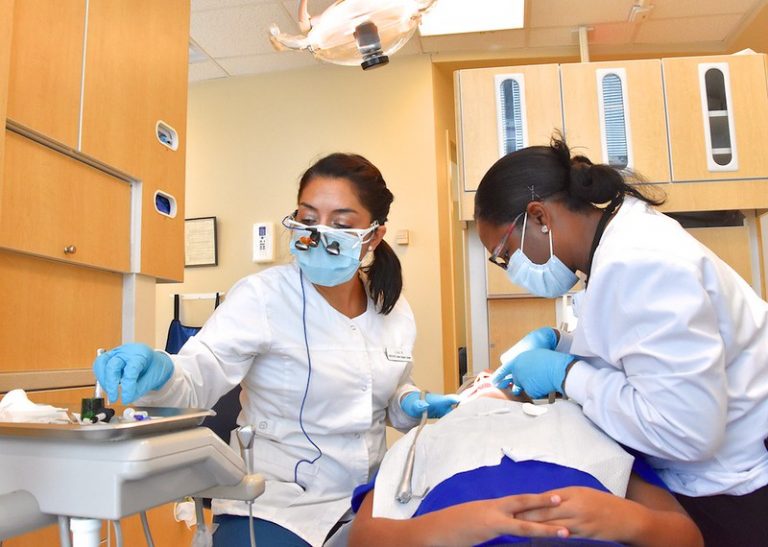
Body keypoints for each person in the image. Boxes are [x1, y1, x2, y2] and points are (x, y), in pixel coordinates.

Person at [93, 153, 459, 547]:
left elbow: (385, 394)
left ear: (373, 235)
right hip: (274, 502)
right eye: (307, 219)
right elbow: (201, 372)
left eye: (339, 224)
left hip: (367, 500)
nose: (319, 233)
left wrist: (412, 403)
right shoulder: (263, 296)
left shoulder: (392, 307)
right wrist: (162, 370)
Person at [474, 136, 768, 545]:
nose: (510, 269)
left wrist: (566, 374)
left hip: (731, 489)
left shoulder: (638, 261)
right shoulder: (617, 245)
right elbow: (635, 342)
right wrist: (560, 343)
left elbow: (686, 432)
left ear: (539, 217)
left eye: (505, 254)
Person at [348, 372, 703, 547]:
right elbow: (364, 539)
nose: (487, 379)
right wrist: (448, 527)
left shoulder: (583, 423)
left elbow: (687, 537)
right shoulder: (422, 439)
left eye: (501, 376)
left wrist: (627, 520)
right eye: (476, 381)